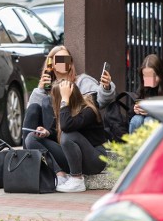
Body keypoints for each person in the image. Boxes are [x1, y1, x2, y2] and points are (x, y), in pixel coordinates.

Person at [23, 45, 116, 175]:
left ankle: (72, 176)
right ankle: (29, 162)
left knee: (66, 133)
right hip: (58, 139)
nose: (63, 62)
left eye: (66, 59)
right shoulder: (49, 87)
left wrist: (105, 87)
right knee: (31, 130)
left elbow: (98, 101)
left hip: (79, 140)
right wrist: (40, 90)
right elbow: (31, 113)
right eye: (59, 59)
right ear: (52, 64)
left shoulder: (83, 81)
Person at [52, 79, 108, 193]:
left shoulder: (89, 110)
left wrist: (64, 100)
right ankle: (60, 175)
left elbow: (67, 127)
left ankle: (77, 180)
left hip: (95, 160)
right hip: (75, 158)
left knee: (68, 135)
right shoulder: (66, 113)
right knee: (32, 138)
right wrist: (46, 132)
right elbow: (60, 133)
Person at [129, 53, 163, 133]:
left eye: (153, 76)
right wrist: (135, 109)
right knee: (136, 119)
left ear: (161, 73)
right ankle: (134, 145)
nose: (149, 80)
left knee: (149, 120)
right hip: (143, 122)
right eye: (146, 76)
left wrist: (152, 112)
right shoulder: (144, 87)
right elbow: (130, 113)